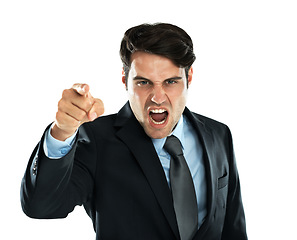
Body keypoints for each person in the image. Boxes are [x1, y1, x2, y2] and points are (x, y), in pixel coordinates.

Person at [21, 23, 248, 240]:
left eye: (170, 81)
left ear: (188, 78)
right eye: (143, 83)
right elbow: (42, 206)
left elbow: (233, 228)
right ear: (125, 80)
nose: (157, 97)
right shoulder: (96, 139)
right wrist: (62, 132)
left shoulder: (219, 135)